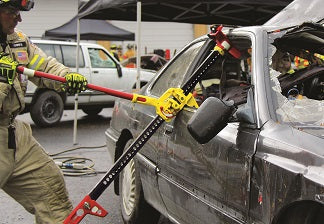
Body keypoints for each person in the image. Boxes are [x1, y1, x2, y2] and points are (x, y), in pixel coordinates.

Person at [0, 0, 88, 223]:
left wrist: (65, 77)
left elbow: (43, 65)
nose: (18, 18)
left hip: (13, 135)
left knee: (51, 191)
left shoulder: (17, 41)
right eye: (12, 12)